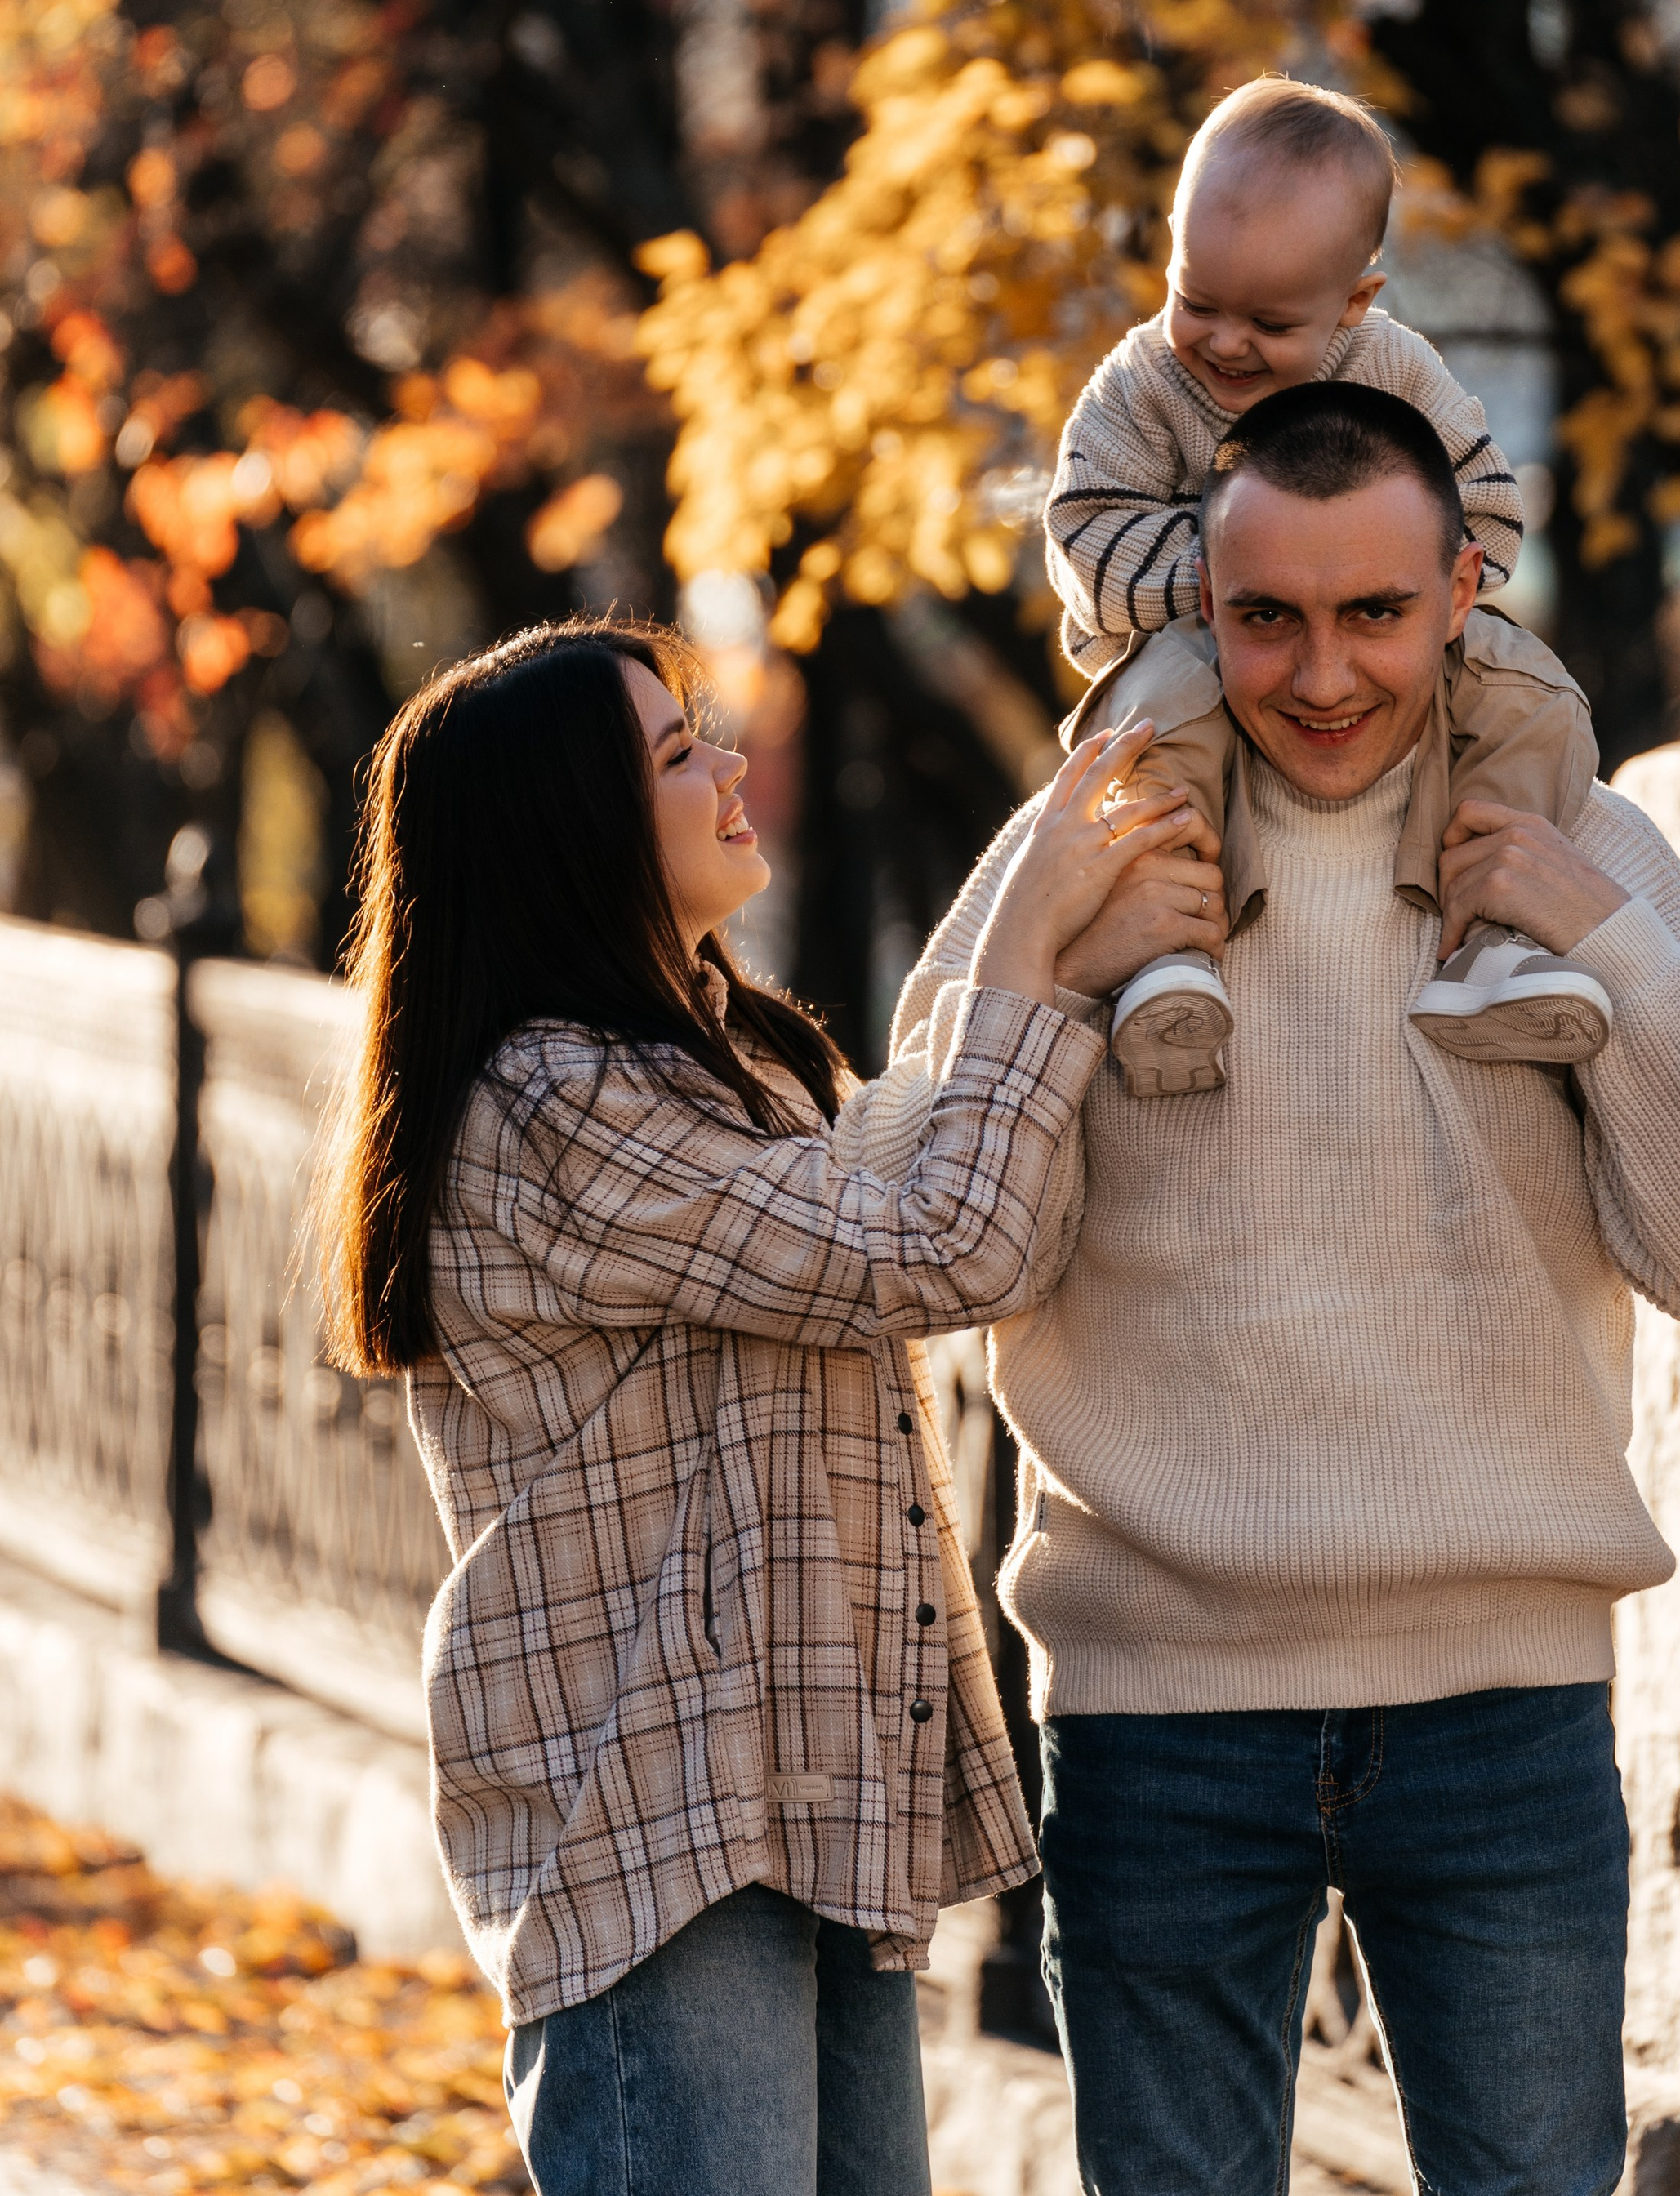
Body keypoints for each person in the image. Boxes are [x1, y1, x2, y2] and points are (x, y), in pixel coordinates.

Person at [895, 383, 1680, 2196]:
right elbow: (914, 1239)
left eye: (1375, 613)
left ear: (1463, 592)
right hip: (1157, 1713)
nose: (1322, 672)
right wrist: (1037, 969)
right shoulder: (1091, 841)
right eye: (1266, 616)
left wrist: (1612, 950)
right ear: (1199, 601)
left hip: (1505, 1712)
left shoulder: (1576, 853)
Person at [305, 614, 1200, 2196]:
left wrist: (1061, 959)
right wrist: (1028, 951)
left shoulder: (730, 1063)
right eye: (676, 754)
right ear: (575, 830)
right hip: (659, 1823)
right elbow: (943, 1245)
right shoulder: (556, 1100)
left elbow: (940, 1180)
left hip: (806, 1795)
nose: (729, 769)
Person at [1045, 73, 1605, 1098]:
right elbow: (1084, 537)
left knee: (1531, 695)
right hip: (1189, 641)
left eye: (1268, 321)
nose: (1223, 342)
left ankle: (1500, 939)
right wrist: (1239, 578)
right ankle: (1166, 955)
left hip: (1399, 635)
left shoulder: (1395, 370)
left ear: (1352, 303)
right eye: (1195, 301)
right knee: (1160, 722)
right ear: (1170, 254)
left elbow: (1487, 511)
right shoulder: (1138, 386)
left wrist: (1394, 574)